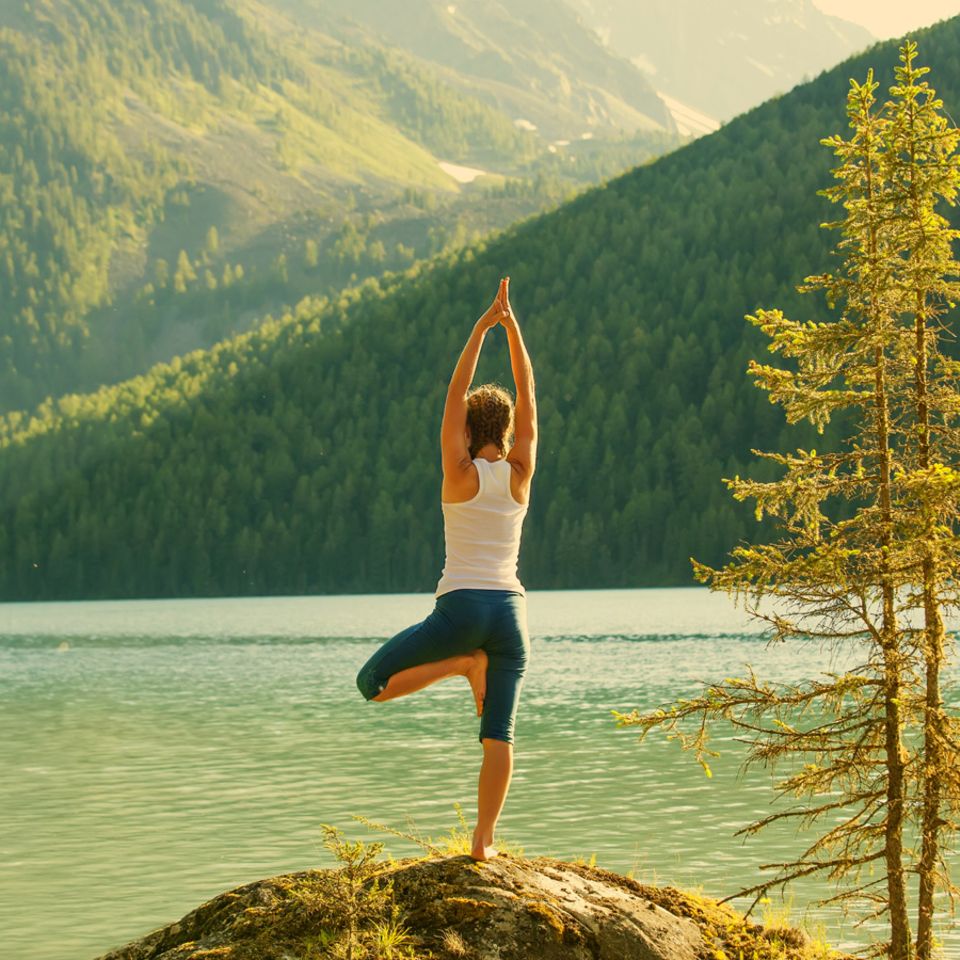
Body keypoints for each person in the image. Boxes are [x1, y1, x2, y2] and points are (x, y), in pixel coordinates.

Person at [355, 275, 538, 862]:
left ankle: (462, 667)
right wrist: (513, 332)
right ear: (507, 432)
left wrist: (481, 327)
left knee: (372, 686)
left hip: (460, 611)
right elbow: (529, 395)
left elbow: (456, 390)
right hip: (510, 615)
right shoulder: (519, 474)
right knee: (499, 735)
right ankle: (483, 844)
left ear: (464, 428)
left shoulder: (457, 472)